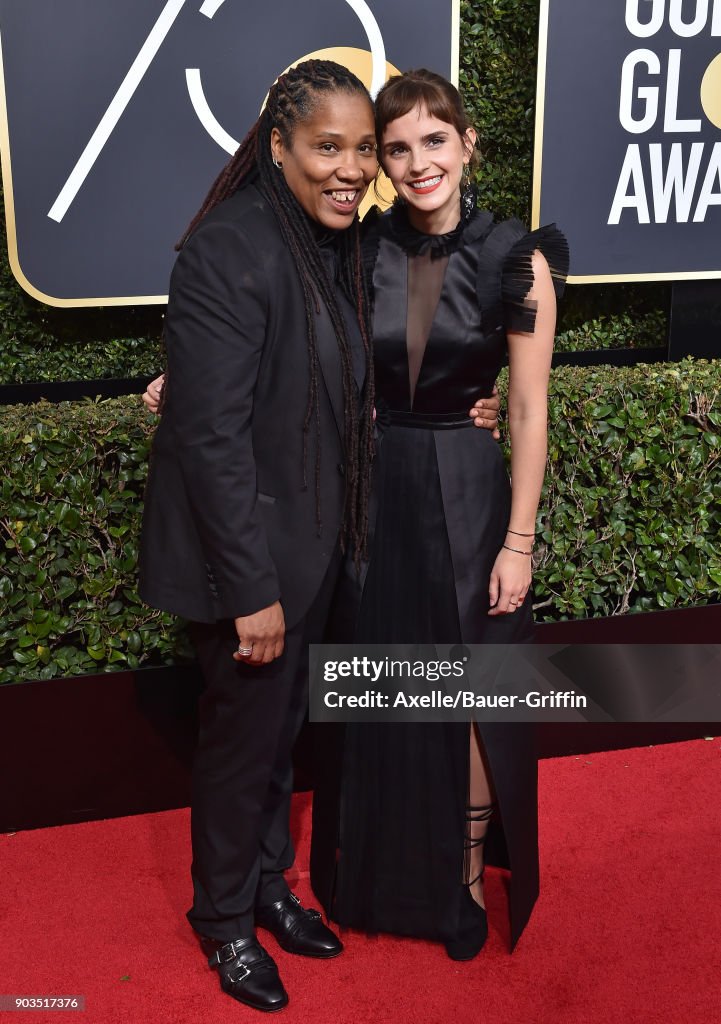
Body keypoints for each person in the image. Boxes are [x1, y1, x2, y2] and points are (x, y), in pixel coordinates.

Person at [138, 59, 501, 1011]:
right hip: (253, 570)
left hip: (319, 554)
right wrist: (250, 589)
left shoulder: (332, 243)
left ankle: (266, 888)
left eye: (358, 151)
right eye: (324, 148)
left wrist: (474, 398)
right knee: (239, 751)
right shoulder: (229, 247)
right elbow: (211, 440)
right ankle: (222, 923)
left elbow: (350, 378)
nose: (349, 169)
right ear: (277, 147)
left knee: (277, 748)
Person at [309, 69, 569, 961]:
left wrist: (519, 541)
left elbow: (528, 407)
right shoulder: (356, 249)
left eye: (433, 139)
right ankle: (373, 869)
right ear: (379, 163)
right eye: (396, 147)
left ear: (466, 144)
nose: (417, 162)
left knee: (469, 689)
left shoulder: (517, 258)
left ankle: (459, 876)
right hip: (373, 490)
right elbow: (296, 352)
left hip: (465, 482)